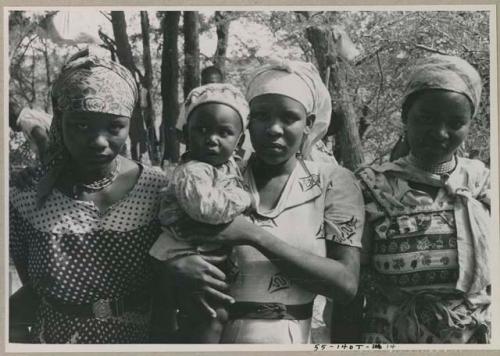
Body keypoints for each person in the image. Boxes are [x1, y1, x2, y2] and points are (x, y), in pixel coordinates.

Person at [165, 59, 365, 343]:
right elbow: (172, 243)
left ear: (308, 124)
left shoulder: (332, 182)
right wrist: (174, 269)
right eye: (260, 116)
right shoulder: (214, 178)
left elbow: (345, 285)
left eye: (289, 118)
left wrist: (254, 235)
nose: (273, 129)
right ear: (246, 123)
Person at [9, 49, 170, 343]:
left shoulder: (156, 189)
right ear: (59, 122)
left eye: (114, 127)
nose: (98, 141)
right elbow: (31, 282)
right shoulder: (27, 196)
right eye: (81, 125)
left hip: (139, 340)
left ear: (128, 125)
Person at [354, 55, 490, 343]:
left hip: (471, 337)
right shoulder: (371, 185)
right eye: (426, 119)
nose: (440, 133)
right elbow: (353, 277)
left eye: (455, 123)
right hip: (389, 335)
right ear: (405, 116)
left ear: (469, 125)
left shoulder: (482, 184)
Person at [149, 83, 252, 343]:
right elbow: (206, 209)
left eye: (224, 132)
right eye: (202, 130)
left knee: (212, 312)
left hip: (203, 248)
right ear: (186, 135)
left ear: (239, 140)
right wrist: (244, 198)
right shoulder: (194, 171)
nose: (212, 139)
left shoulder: (226, 166)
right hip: (183, 249)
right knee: (210, 315)